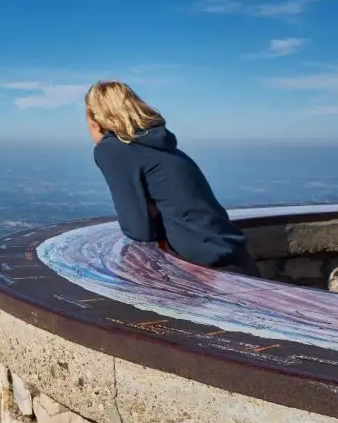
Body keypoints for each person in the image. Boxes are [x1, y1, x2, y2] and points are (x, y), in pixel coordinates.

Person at [84, 80, 260, 277]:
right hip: (235, 257)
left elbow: (138, 229)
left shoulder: (113, 149)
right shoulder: (161, 146)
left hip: (206, 269)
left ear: (94, 117)